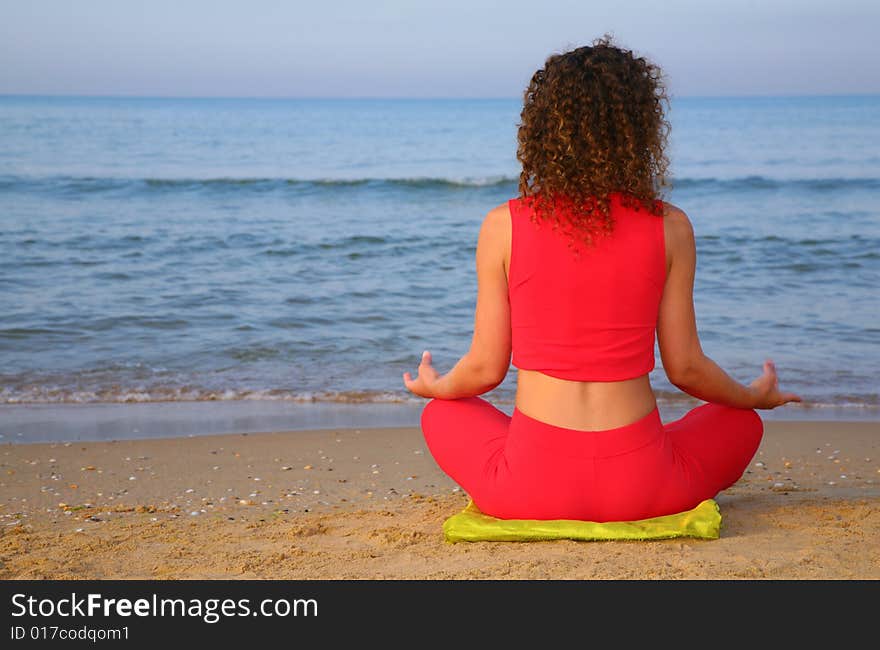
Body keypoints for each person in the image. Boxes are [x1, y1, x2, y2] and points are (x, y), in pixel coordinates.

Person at [402, 35, 802, 522]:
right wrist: (752, 397)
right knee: (741, 423)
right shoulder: (671, 226)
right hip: (644, 489)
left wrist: (435, 386)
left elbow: (486, 370)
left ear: (543, 130)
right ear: (641, 130)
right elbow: (687, 369)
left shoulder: (503, 225)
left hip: (527, 489)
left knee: (443, 413)